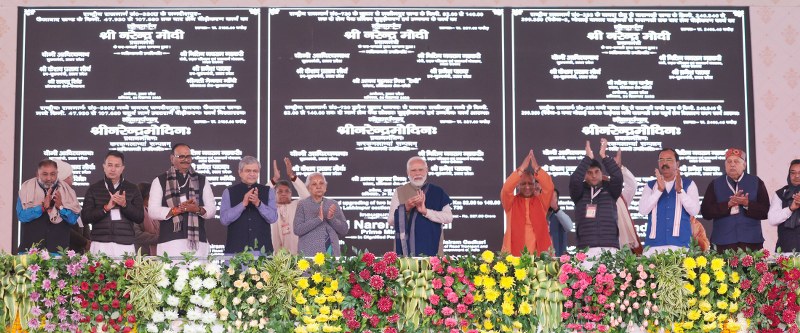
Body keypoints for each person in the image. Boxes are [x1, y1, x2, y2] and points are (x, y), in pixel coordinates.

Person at [148, 143, 216, 257]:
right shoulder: (160, 180)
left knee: (199, 275)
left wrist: (197, 209)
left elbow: (212, 210)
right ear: (172, 158)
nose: (185, 160)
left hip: (197, 243)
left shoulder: (202, 180)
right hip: (170, 243)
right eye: (181, 156)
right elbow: (152, 211)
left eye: (188, 156)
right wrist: (176, 210)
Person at [701, 148, 770, 253]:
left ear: (744, 165)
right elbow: (706, 212)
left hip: (751, 242)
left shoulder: (756, 182)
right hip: (722, 242)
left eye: (736, 161)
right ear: (725, 165)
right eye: (729, 162)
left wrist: (747, 204)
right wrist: (728, 205)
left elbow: (766, 211)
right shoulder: (715, 184)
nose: (732, 165)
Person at [81, 151, 145, 257]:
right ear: (104, 166)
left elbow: (140, 217)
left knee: (126, 274)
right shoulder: (94, 188)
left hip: (125, 243)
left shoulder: (132, 188)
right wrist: (105, 209)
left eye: (117, 166)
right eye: (109, 165)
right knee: (98, 273)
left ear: (123, 168)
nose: (113, 169)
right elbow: (85, 218)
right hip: (100, 243)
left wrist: (125, 205)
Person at [638, 148, 701, 255]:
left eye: (669, 160)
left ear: (677, 164)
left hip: (681, 246)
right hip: (654, 247)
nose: (664, 163)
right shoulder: (650, 185)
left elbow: (694, 211)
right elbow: (643, 210)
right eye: (661, 160)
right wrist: (659, 190)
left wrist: (680, 191)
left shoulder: (688, 184)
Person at [389, 156, 454, 257]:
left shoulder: (438, 191)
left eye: (420, 169)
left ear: (427, 170)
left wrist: (425, 211)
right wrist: (405, 208)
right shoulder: (400, 191)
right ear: (408, 173)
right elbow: (391, 221)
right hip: (405, 250)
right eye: (413, 170)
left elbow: (449, 218)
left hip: (433, 248)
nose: (417, 173)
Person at [569, 139, 623, 257]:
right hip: (585, 246)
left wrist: (604, 156)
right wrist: (588, 158)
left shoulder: (611, 189)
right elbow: (574, 180)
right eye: (589, 172)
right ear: (585, 174)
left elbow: (618, 177)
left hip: (609, 245)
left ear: (601, 173)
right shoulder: (579, 192)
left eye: (596, 172)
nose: (593, 175)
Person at [16, 159, 81, 253]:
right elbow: (21, 216)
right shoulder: (26, 189)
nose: (49, 178)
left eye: (53, 174)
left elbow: (73, 220)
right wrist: (42, 207)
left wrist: (61, 207)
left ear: (57, 174)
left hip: (58, 250)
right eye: (45, 174)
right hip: (30, 251)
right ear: (37, 174)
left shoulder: (67, 191)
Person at [500, 150, 554, 256]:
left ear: (535, 185)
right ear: (518, 185)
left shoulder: (541, 201)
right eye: (523, 184)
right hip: (513, 254)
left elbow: (549, 187)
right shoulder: (511, 202)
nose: (527, 187)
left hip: (539, 254)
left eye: (530, 183)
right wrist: (521, 169)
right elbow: (506, 189)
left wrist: (536, 168)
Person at [220, 156, 277, 254]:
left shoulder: (268, 191)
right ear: (240, 172)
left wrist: (258, 203)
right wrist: (243, 204)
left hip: (262, 252)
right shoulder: (229, 192)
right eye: (248, 171)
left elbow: (273, 218)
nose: (252, 174)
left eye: (255, 171)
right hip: (235, 252)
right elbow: (224, 220)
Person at [294, 172, 349, 256]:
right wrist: (318, 219)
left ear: (325, 187)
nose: (318, 186)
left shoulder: (333, 204)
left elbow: (344, 230)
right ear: (309, 188)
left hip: (331, 254)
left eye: (321, 183)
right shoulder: (302, 204)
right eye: (314, 184)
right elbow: (297, 230)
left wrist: (331, 219)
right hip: (309, 256)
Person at [269, 157, 310, 254]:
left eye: (287, 191)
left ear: (291, 193)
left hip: (296, 255)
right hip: (276, 258)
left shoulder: (297, 205)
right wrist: (274, 180)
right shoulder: (269, 208)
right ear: (274, 194)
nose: (283, 193)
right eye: (280, 191)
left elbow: (307, 197)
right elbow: (261, 195)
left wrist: (292, 176)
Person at [53, 158, 92, 253]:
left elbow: (81, 219)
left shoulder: (70, 195)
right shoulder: (56, 195)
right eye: (70, 175)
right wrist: (84, 242)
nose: (72, 178)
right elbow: (62, 227)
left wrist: (87, 240)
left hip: (78, 250)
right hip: (64, 251)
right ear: (63, 177)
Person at [768, 159, 800, 253]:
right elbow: (772, 220)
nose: (796, 176)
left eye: (799, 173)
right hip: (786, 248)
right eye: (793, 173)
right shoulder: (780, 194)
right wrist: (790, 209)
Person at [614, 150, 643, 254]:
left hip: (623, 248)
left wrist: (620, 168)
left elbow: (632, 185)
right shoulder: (593, 202)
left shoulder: (619, 199)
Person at [133, 182, 160, 256]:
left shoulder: (152, 211)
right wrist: (159, 238)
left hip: (158, 254)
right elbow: (136, 235)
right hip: (142, 257)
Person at [547, 188, 574, 256]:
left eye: (554, 197)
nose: (552, 200)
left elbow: (569, 227)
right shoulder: (538, 215)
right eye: (550, 197)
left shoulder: (559, 215)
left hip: (558, 257)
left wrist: (556, 208)